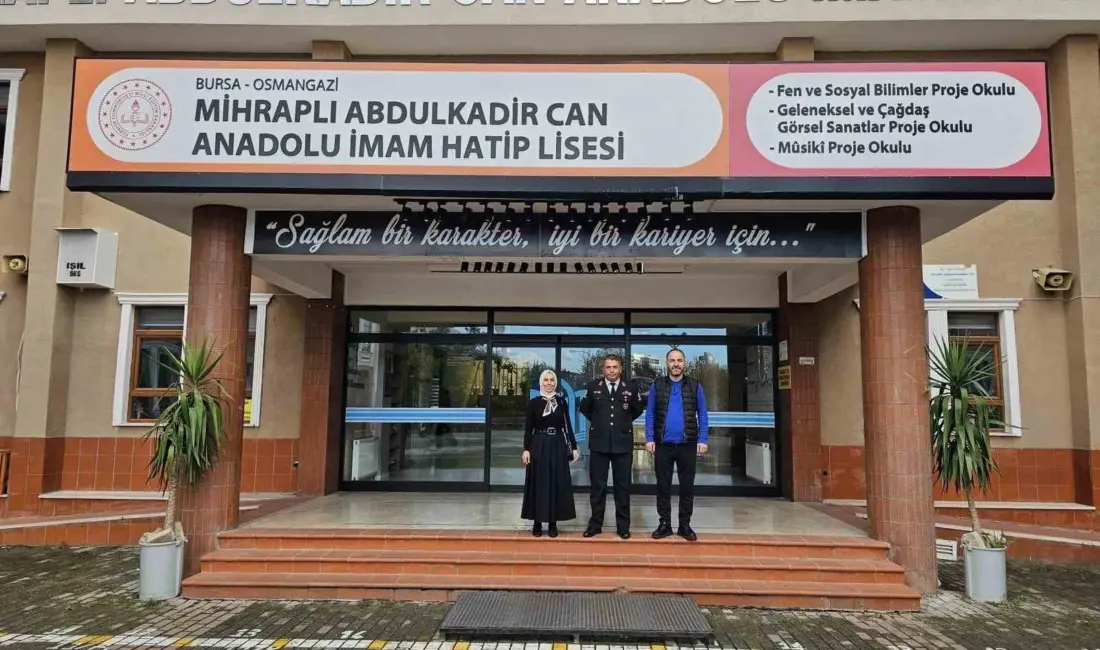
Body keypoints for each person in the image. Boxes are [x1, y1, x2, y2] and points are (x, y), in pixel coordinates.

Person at [645, 348, 709, 541]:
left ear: (684, 363)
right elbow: (650, 414)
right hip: (663, 445)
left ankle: (684, 525)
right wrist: (649, 438)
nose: (676, 364)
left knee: (686, 487)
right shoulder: (657, 385)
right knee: (663, 487)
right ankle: (664, 524)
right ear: (667, 363)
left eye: (679, 360)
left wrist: (703, 439)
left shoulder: (695, 386)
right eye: (672, 360)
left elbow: (703, 414)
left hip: (687, 444)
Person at [579, 354, 644, 539]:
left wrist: (623, 424)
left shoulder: (630, 388)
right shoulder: (593, 387)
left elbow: (637, 409)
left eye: (615, 367)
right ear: (603, 370)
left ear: (620, 369)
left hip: (622, 444)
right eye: (608, 367)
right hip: (599, 444)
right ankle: (595, 525)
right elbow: (585, 408)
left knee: (622, 487)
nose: (612, 370)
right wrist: (600, 423)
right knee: (597, 487)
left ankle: (623, 526)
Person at [521, 369, 579, 538]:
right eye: (545, 380)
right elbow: (528, 427)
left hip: (557, 445)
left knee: (556, 483)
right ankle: (537, 522)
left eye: (551, 380)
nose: (548, 383)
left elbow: (567, 425)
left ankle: (553, 522)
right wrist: (526, 449)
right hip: (538, 444)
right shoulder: (534, 403)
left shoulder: (561, 402)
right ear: (541, 382)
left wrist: (573, 447)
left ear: (555, 382)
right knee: (539, 483)